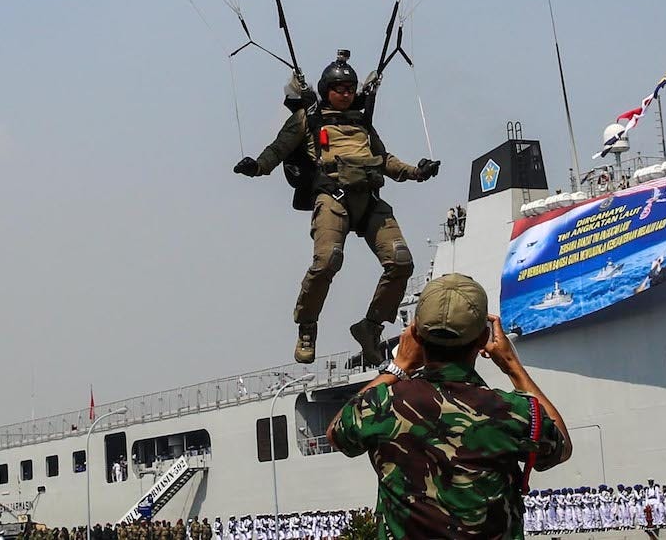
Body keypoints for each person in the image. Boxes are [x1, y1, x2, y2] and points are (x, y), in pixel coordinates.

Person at [330, 272, 570, 539]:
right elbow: (561, 447)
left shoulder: (380, 404)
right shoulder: (513, 412)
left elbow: (337, 432)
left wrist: (398, 367)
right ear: (482, 339)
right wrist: (512, 366)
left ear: (415, 335)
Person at [237, 51, 440, 364]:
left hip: (370, 200)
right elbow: (278, 149)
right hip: (333, 198)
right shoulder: (309, 118)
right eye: (339, 88)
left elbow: (384, 160)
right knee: (328, 260)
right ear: (325, 90)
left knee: (401, 262)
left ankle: (370, 328)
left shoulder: (361, 124)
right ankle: (307, 325)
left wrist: (416, 171)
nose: (345, 94)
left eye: (350, 88)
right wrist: (258, 166)